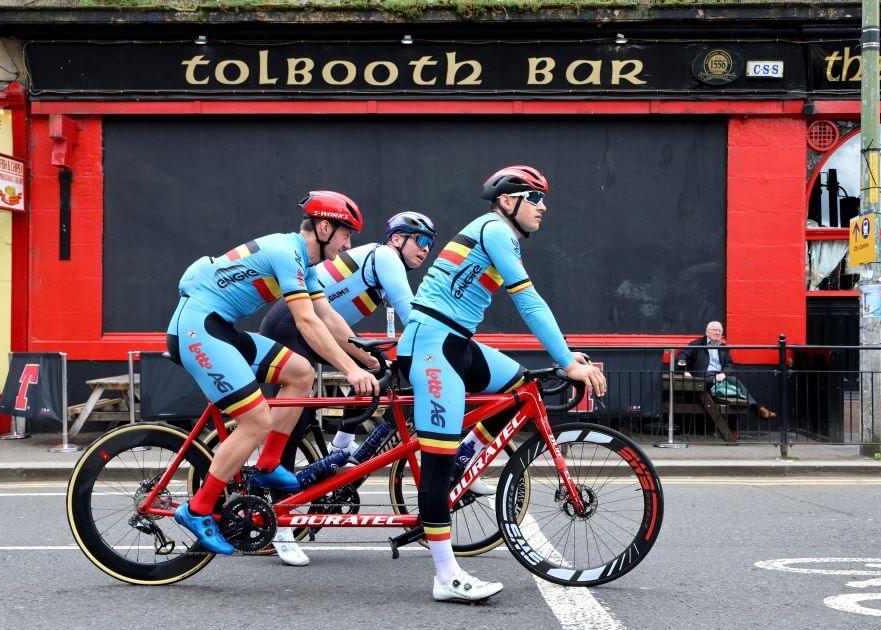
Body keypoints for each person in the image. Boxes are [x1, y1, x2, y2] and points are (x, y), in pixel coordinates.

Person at [396, 165, 606, 602]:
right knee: (436, 462)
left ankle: (465, 461)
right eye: (535, 198)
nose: (543, 207)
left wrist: (566, 353)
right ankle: (445, 575)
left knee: (517, 389)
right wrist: (565, 361)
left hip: (457, 340)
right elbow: (528, 300)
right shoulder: (494, 228)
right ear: (508, 201)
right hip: (432, 343)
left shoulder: (497, 232)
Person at [167, 190, 379, 556]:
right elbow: (307, 322)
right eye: (347, 234)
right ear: (325, 227)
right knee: (256, 421)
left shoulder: (302, 263)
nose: (348, 244)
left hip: (220, 328)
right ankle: (198, 508)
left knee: (300, 373)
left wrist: (368, 359)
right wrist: (349, 370)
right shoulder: (286, 252)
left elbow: (328, 316)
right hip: (198, 328)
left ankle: (268, 463)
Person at [257, 210, 437, 565]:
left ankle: (340, 453)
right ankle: (280, 524)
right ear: (398, 239)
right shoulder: (385, 257)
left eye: (431, 244)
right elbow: (412, 314)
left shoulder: (382, 269)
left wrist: (375, 361)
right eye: (422, 241)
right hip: (292, 324)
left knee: (375, 371)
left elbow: (348, 331)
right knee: (291, 418)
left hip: (321, 327)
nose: (426, 250)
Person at [676, 321, 777, 433]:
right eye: (715, 330)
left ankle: (734, 428)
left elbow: (730, 365)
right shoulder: (697, 344)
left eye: (720, 331)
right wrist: (684, 371)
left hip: (720, 378)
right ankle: (757, 409)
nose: (718, 333)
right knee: (733, 383)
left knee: (733, 393)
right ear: (707, 332)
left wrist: (723, 374)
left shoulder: (723, 347)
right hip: (703, 377)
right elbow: (682, 356)